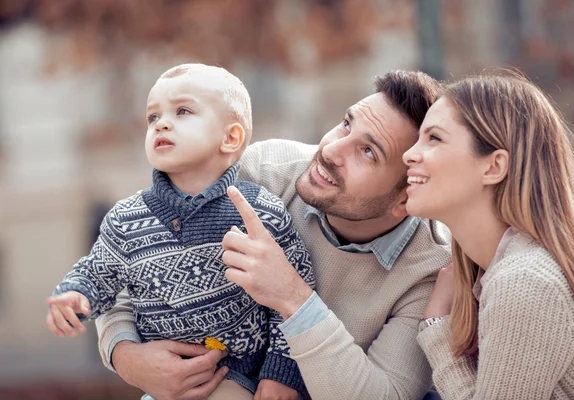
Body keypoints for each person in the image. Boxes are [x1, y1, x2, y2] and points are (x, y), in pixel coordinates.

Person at [96, 70, 452, 400]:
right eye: (346, 125)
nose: (329, 150)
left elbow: (385, 394)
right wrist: (125, 355)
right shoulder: (258, 172)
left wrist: (294, 298)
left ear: (405, 200)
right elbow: (131, 259)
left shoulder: (430, 270)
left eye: (368, 152)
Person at [46, 63, 315, 400]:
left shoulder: (259, 211)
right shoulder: (126, 219)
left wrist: (281, 374)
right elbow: (100, 272)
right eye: (152, 117)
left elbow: (292, 299)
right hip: (164, 385)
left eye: (183, 111)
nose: (163, 123)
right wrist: (77, 295)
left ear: (230, 138)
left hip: (242, 377)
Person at [403, 73, 574, 399]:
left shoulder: (525, 281)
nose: (409, 154)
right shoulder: (510, 269)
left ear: (493, 167)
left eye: (434, 138)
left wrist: (436, 327)